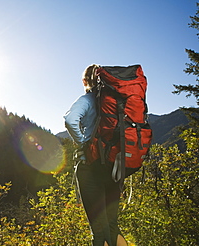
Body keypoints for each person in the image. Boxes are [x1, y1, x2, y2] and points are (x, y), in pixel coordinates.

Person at [64, 64, 128, 246]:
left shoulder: (88, 99)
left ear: (85, 81)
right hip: (114, 168)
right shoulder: (118, 101)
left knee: (99, 230)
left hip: (90, 168)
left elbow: (70, 120)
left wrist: (84, 142)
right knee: (112, 225)